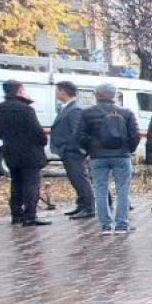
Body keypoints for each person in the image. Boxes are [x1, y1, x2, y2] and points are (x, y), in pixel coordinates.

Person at [0, 79, 50, 226]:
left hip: (10, 150)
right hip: (30, 152)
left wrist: (7, 136)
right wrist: (42, 141)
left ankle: (16, 215)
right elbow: (37, 131)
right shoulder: (26, 109)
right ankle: (30, 215)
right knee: (31, 184)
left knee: (16, 183)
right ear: (19, 90)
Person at [76, 83, 140, 234]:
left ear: (97, 95)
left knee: (100, 189)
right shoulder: (126, 113)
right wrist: (128, 149)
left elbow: (79, 135)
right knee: (123, 189)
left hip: (97, 156)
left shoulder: (87, 113)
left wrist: (90, 149)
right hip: (121, 155)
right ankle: (122, 224)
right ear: (115, 95)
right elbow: (135, 135)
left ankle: (105, 225)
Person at [49, 81, 93, 219]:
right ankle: (81, 205)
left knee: (79, 179)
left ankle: (88, 207)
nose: (56, 93)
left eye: (57, 90)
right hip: (68, 151)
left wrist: (71, 148)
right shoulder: (68, 107)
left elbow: (77, 132)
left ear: (63, 92)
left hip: (73, 151)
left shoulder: (75, 109)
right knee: (75, 179)